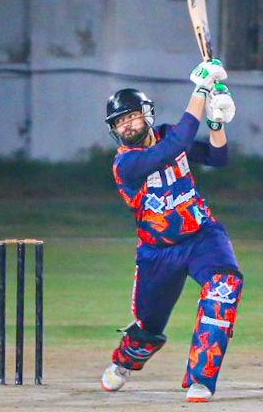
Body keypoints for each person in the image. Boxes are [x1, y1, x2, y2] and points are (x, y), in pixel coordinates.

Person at [100, 59, 243, 403]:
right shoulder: (125, 164)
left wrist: (217, 123)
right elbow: (177, 144)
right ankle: (124, 363)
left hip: (202, 236)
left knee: (225, 286)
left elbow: (217, 158)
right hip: (158, 252)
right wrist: (201, 89)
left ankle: (201, 380)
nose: (126, 125)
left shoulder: (167, 134)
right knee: (148, 329)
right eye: (119, 122)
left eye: (131, 116)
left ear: (147, 114)